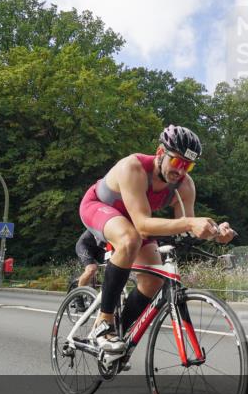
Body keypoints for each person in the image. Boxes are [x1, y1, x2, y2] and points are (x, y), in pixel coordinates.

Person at [78, 125, 235, 354]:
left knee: (153, 281)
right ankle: (103, 324)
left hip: (133, 221)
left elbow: (187, 226)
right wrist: (191, 223)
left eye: (188, 165)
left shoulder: (185, 186)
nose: (181, 171)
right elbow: (142, 224)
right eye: (177, 162)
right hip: (100, 206)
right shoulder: (133, 167)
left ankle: (118, 335)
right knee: (129, 239)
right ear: (160, 152)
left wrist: (214, 232)